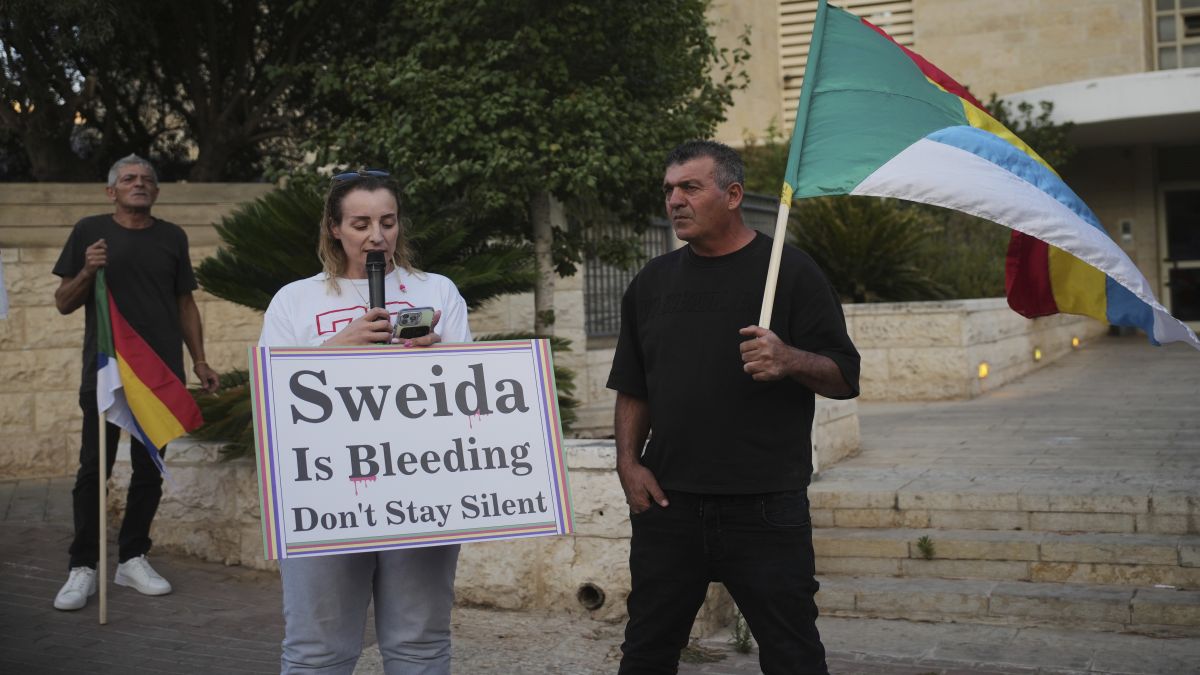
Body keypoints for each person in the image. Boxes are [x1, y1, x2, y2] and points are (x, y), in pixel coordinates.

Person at [607, 140, 861, 675]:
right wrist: (628, 464)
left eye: (690, 187)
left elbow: (844, 377)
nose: (674, 200)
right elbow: (633, 385)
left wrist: (788, 358)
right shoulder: (652, 283)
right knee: (646, 652)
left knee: (793, 654)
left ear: (733, 194)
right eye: (669, 189)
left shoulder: (790, 272)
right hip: (668, 504)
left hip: (765, 506)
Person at [259, 169, 471, 674]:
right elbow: (271, 397)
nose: (377, 236)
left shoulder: (437, 292)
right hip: (327, 495)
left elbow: (473, 396)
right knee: (318, 650)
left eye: (388, 221)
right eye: (360, 223)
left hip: (420, 490)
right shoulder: (296, 300)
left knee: (419, 642)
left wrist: (439, 357)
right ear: (334, 227)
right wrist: (335, 347)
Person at [51, 154, 221, 611]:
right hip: (107, 372)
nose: (138, 184)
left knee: (149, 471)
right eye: (128, 179)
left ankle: (132, 558)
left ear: (157, 192)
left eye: (147, 179)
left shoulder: (172, 237)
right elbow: (63, 303)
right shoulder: (90, 231)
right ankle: (82, 566)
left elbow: (185, 303)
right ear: (112, 191)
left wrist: (200, 359)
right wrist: (87, 269)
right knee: (94, 469)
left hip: (160, 375)